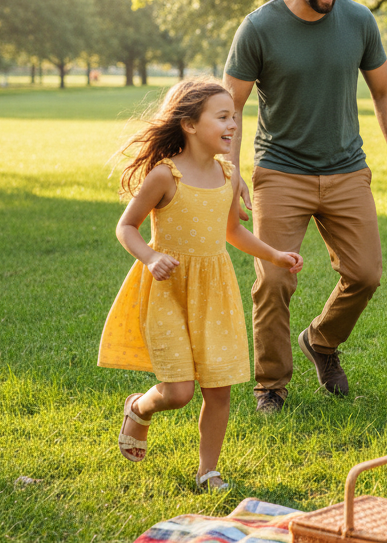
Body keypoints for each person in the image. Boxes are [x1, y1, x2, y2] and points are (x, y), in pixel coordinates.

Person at [222, 0, 387, 414]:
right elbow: (229, 106)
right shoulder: (258, 28)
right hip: (281, 171)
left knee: (365, 275)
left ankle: (321, 341)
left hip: (347, 168)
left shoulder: (359, 21)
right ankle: (271, 386)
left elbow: (384, 91)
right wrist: (230, 171)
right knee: (275, 279)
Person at [98, 79, 303, 491]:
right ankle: (139, 408)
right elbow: (126, 227)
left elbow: (233, 232)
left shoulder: (228, 175)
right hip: (169, 290)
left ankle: (208, 470)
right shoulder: (164, 175)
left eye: (234, 117)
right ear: (190, 125)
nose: (233, 125)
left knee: (218, 390)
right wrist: (150, 256)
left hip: (215, 295)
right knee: (178, 392)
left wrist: (274, 255)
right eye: (222, 117)